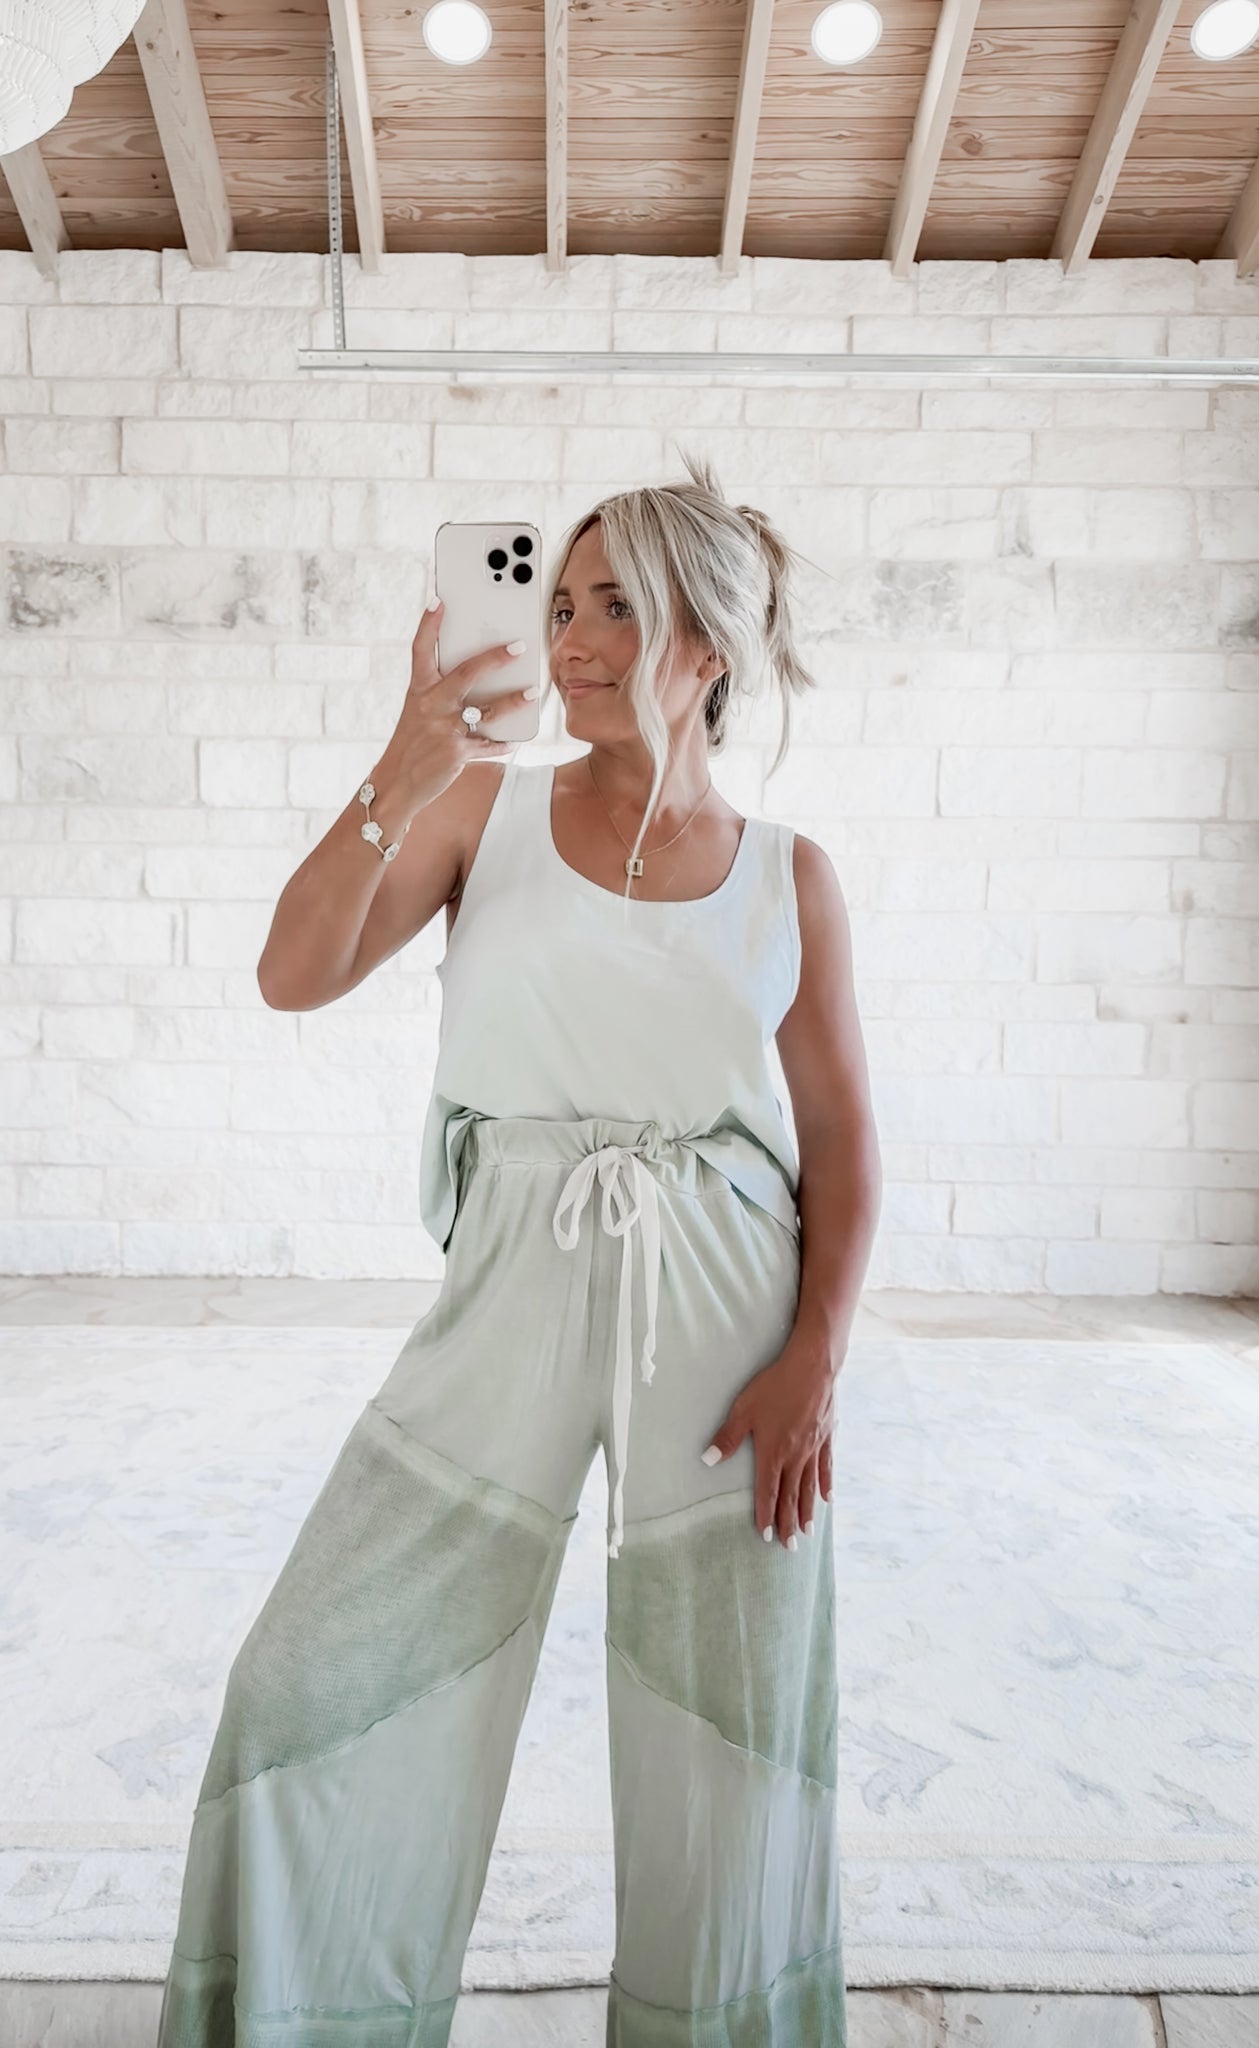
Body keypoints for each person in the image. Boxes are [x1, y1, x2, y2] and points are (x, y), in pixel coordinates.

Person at [156, 449, 882, 2047]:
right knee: (308, 1675)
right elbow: (292, 972)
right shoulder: (483, 809)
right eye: (559, 604)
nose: (571, 638)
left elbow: (841, 1139)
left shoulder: (792, 878)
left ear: (708, 640)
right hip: (514, 1279)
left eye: (616, 605)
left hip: (728, 1310)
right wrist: (405, 761)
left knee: (732, 1739)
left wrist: (818, 1359)